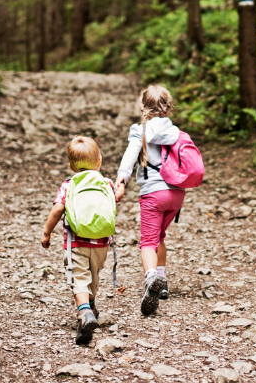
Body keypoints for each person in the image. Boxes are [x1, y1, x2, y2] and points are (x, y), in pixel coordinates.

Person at [115, 84, 184, 316]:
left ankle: (150, 280)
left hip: (153, 193)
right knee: (160, 237)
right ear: (168, 107)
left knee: (148, 242)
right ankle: (161, 283)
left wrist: (121, 179)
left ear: (143, 106)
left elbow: (131, 154)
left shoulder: (140, 130)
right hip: (176, 194)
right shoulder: (175, 132)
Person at [41, 136, 116, 344]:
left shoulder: (68, 184)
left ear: (71, 166)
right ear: (99, 161)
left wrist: (47, 233)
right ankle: (91, 305)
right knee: (94, 274)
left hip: (77, 243)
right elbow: (115, 197)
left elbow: (57, 209)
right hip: (101, 243)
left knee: (79, 277)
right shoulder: (107, 183)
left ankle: (84, 313)